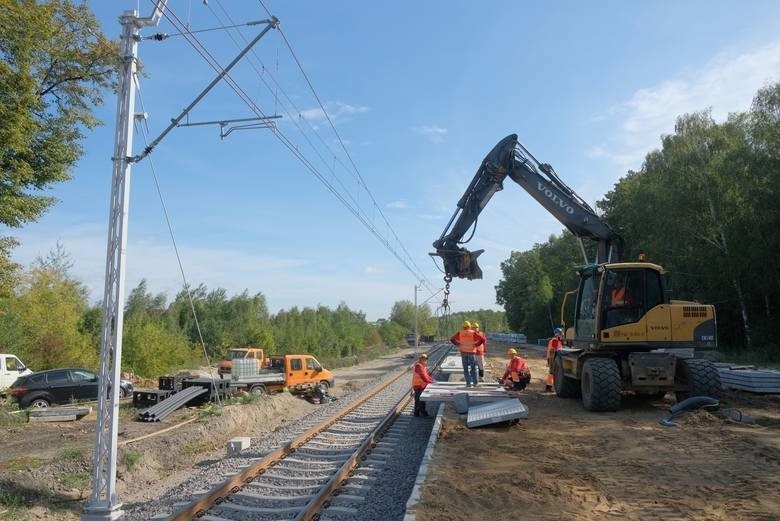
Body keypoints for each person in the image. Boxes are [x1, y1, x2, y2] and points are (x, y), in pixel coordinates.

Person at [450, 320, 484, 387]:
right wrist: (476, 344)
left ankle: (468, 383)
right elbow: (483, 340)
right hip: (471, 352)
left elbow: (452, 339)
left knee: (465, 369)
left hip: (463, 352)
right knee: (473, 368)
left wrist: (458, 344)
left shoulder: (460, 333)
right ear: (470, 326)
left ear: (463, 327)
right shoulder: (473, 333)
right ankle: (475, 383)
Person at [545, 327, 565, 392]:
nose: (562, 335)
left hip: (551, 358)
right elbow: (554, 351)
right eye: (560, 334)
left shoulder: (556, 340)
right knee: (552, 372)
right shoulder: (554, 341)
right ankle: (548, 387)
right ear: (557, 334)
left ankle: (548, 386)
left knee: (551, 372)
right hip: (552, 358)